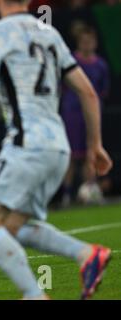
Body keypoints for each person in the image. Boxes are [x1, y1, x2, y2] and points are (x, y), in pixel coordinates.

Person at [0, 0, 113, 299]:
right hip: (58, 148)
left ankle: (34, 294)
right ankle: (86, 254)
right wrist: (96, 145)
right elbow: (88, 93)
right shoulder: (49, 33)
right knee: (12, 225)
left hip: (27, 145)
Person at [60, 26, 110, 205]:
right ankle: (66, 195)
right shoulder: (70, 61)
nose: (88, 45)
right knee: (72, 155)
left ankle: (90, 190)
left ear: (95, 43)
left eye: (91, 41)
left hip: (91, 116)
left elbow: (102, 91)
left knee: (92, 151)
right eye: (84, 41)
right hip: (72, 113)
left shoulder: (101, 65)